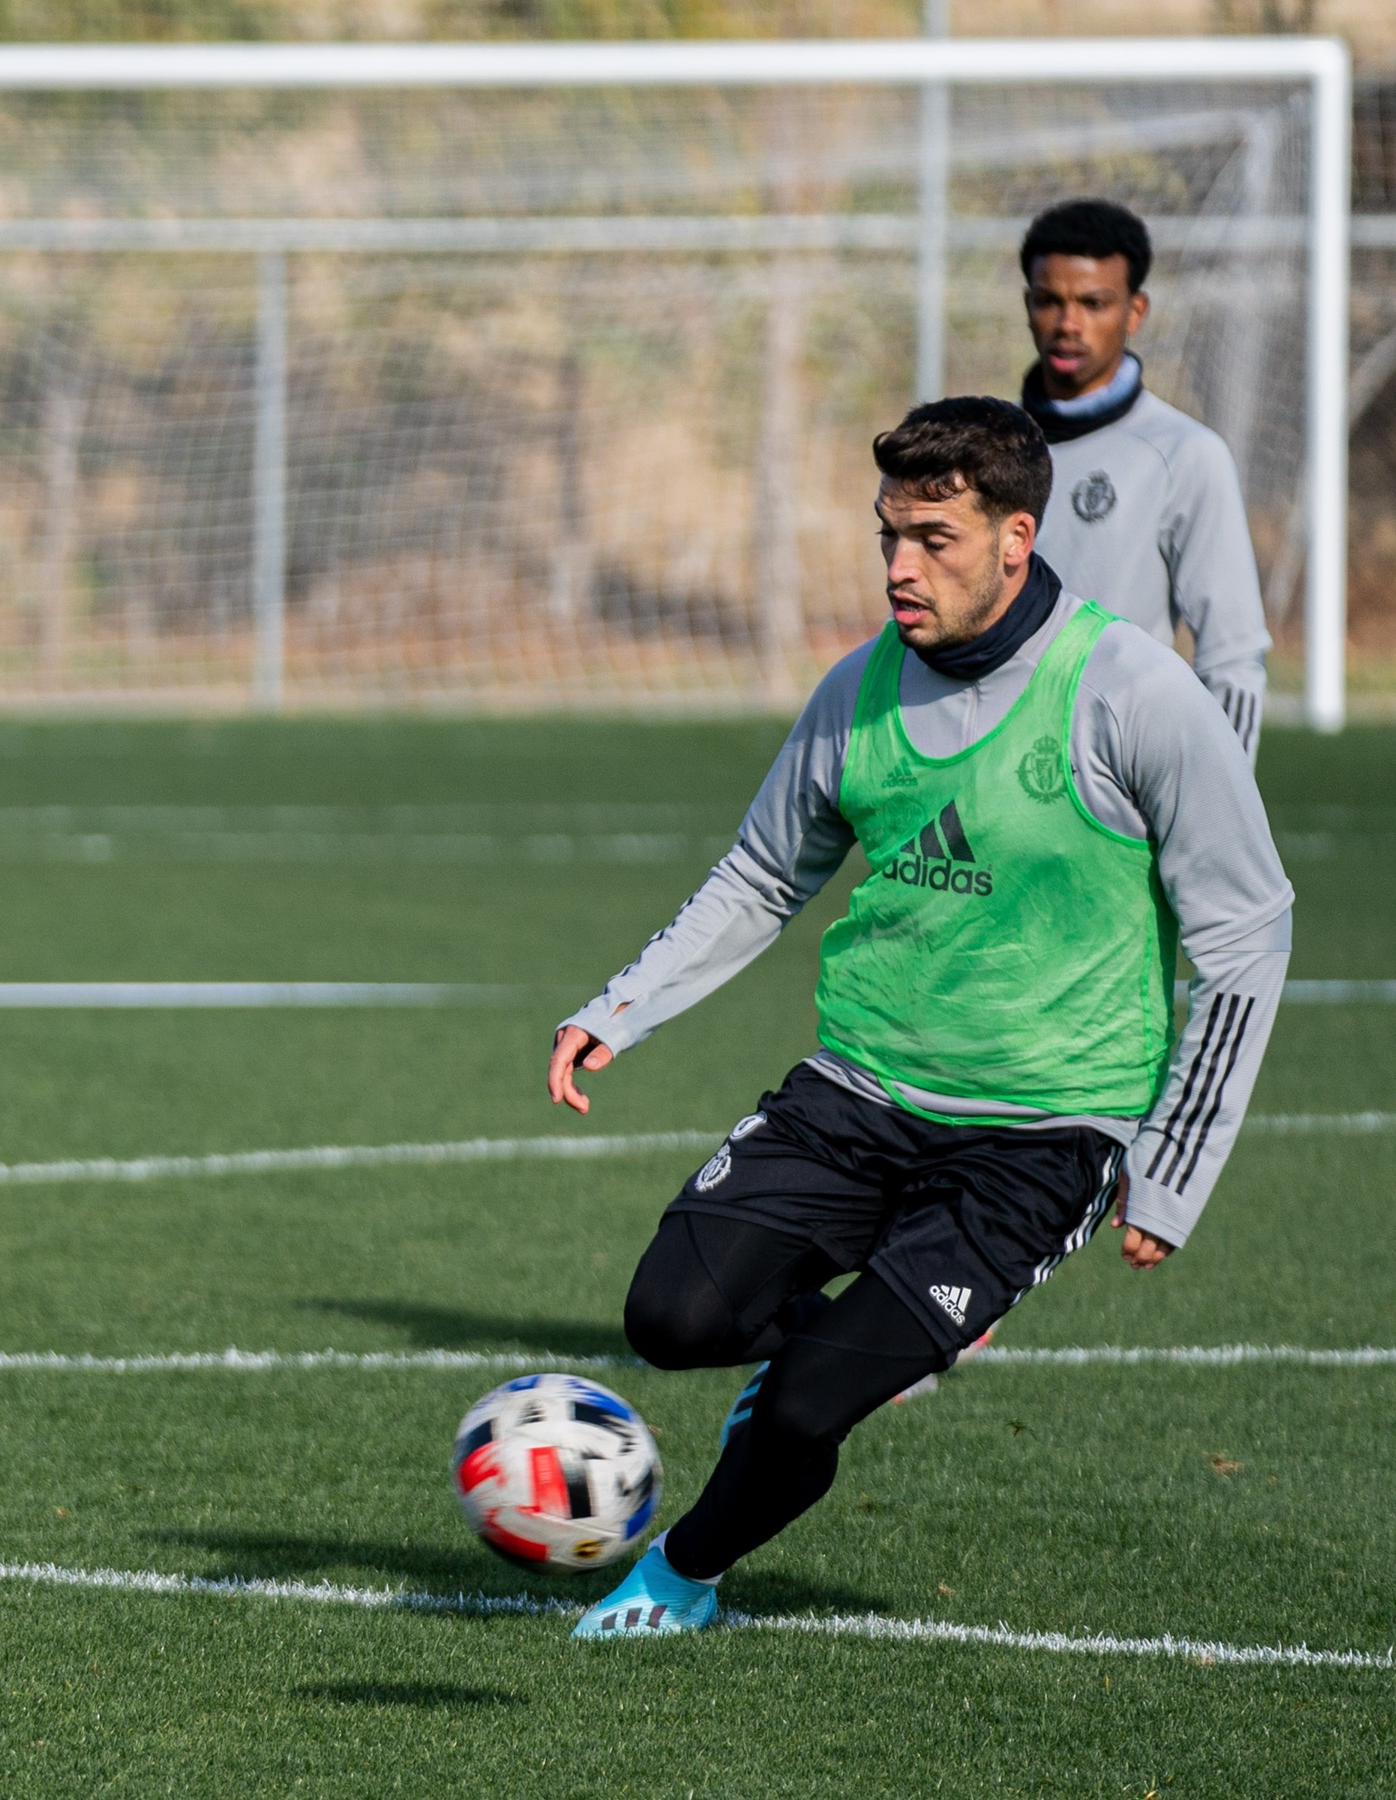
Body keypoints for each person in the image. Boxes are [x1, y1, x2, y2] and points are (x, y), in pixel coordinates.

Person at [541, 398, 1289, 1639]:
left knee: (798, 1413)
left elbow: (1242, 930)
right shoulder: (855, 692)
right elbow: (759, 874)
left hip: (1039, 1139)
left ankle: (678, 1573)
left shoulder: (1131, 692)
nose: (897, 566)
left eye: (931, 538)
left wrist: (1165, 1172)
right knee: (668, 1321)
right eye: (886, 534)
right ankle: (852, 1345)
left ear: (1013, 537)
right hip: (854, 1098)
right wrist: (618, 1010)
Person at [1017, 198, 1271, 756]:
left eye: (1094, 303)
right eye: (1050, 301)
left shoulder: (1185, 454)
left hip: (1112, 777)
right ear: (1027, 304)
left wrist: (1218, 806)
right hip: (985, 772)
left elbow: (1233, 658)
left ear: (1135, 312)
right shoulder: (989, 447)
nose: (1068, 324)